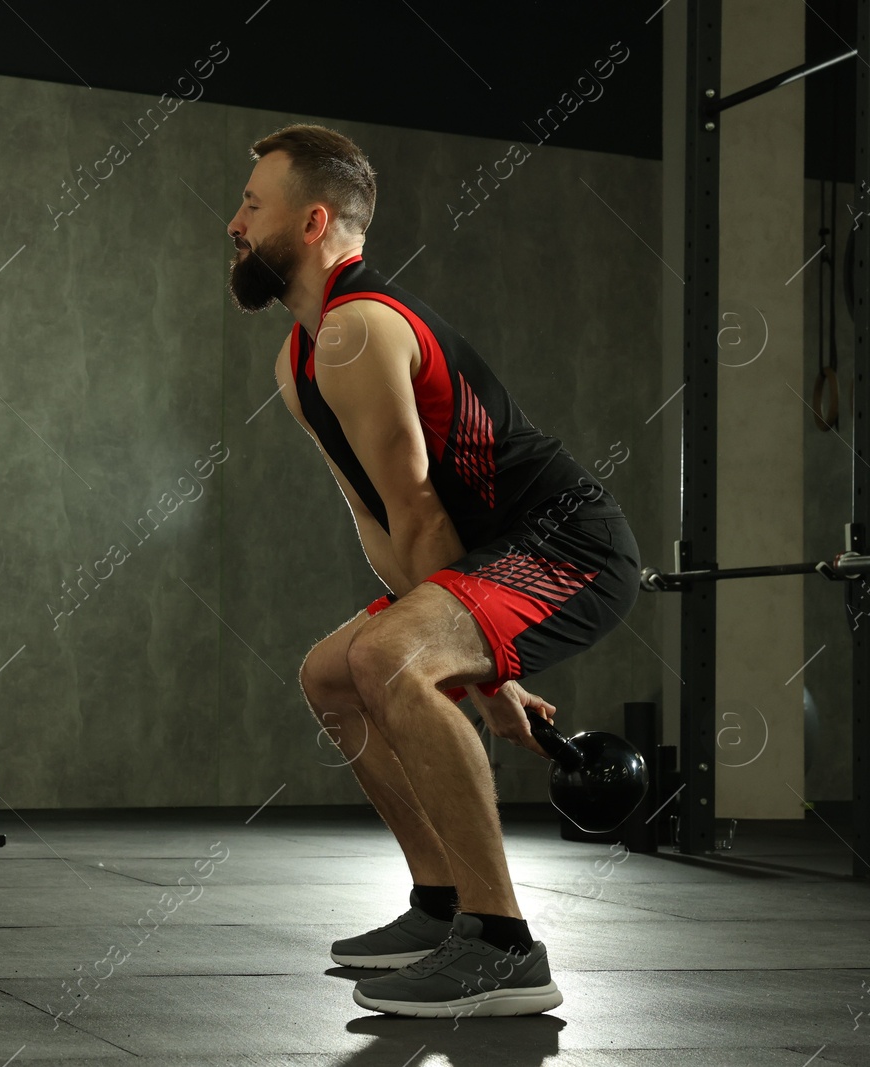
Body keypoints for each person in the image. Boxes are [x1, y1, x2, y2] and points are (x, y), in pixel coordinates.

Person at [225, 123, 640, 1018]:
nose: (234, 222)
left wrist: (487, 673)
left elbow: (418, 511)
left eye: (253, 204)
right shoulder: (300, 359)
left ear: (312, 221)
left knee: (393, 660)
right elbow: (378, 520)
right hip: (487, 561)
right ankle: (442, 903)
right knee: (332, 673)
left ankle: (501, 947)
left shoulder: (361, 327)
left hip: (572, 543)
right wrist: (469, 651)